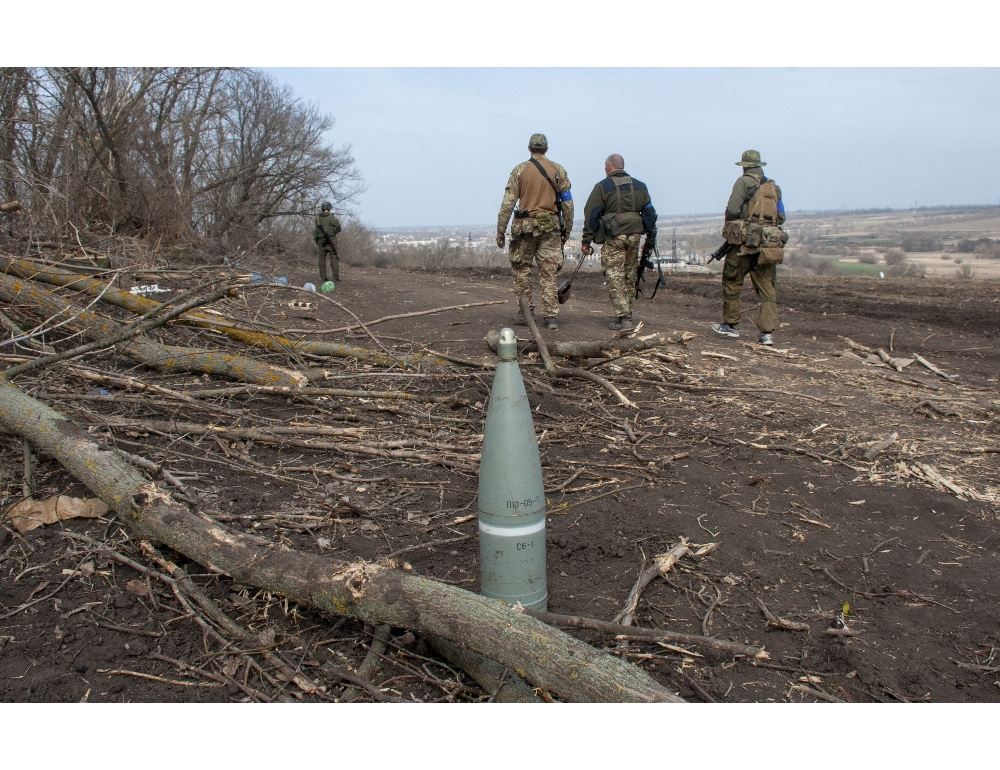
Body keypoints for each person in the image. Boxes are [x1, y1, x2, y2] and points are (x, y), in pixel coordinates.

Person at [496, 134, 574, 330]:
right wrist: (567, 230)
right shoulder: (559, 170)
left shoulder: (519, 171)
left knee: (522, 271)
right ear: (546, 150)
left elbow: (508, 203)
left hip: (524, 229)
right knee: (548, 273)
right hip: (551, 228)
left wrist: (500, 231)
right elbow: (568, 203)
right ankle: (551, 318)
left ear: (529, 148)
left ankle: (526, 313)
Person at [711, 150, 785, 346]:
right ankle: (766, 334)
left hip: (743, 244)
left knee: (732, 281)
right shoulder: (773, 187)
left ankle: (732, 326)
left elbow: (733, 209)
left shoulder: (742, 182)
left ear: (744, 166)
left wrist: (735, 226)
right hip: (767, 245)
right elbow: (782, 216)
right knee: (767, 289)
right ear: (759, 166)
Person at [581, 154, 657, 331]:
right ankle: (627, 312)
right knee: (630, 273)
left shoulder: (602, 187)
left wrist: (586, 241)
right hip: (635, 236)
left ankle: (624, 318)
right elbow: (650, 214)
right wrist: (650, 239)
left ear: (608, 167)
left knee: (614, 274)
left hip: (615, 237)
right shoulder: (640, 186)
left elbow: (591, 214)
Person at [313, 201, 342, 287]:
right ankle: (335, 276)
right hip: (331, 240)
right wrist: (334, 231)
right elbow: (339, 228)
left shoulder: (317, 218)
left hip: (320, 241)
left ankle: (323, 277)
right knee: (333, 257)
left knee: (322, 259)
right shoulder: (331, 217)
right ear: (329, 209)